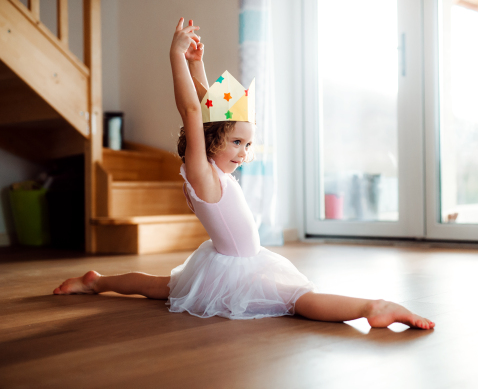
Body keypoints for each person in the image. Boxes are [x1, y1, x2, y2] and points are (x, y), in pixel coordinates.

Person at [54, 18, 435, 330]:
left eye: (248, 145)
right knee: (297, 301)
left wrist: (196, 62)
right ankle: (373, 307)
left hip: (231, 260)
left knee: (160, 287)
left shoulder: (212, 168)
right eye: (237, 142)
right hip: (238, 268)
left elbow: (203, 106)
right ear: (213, 140)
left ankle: (97, 282)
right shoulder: (200, 170)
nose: (244, 152)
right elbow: (192, 110)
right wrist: (175, 56)